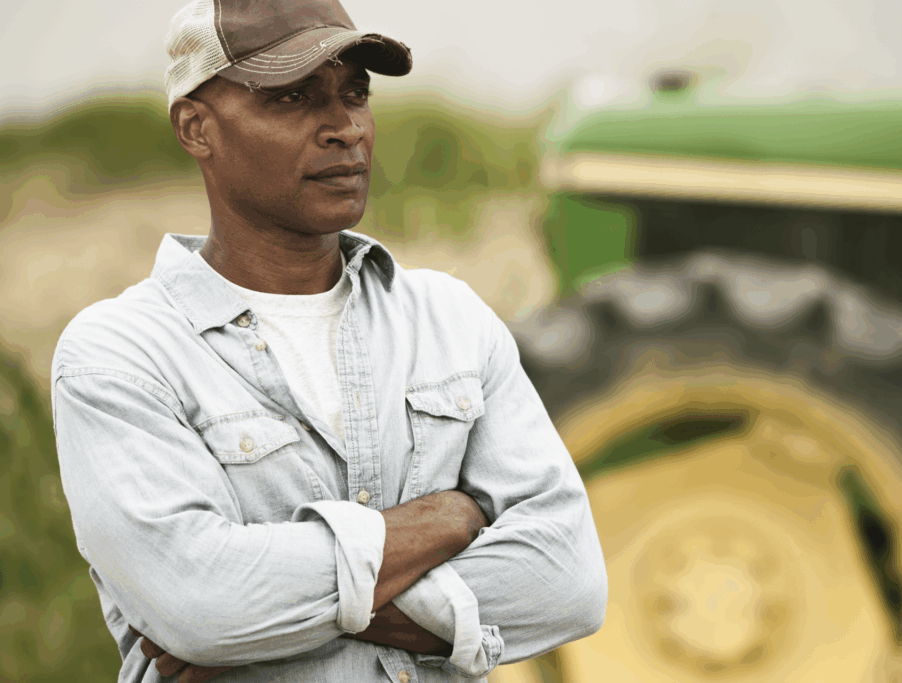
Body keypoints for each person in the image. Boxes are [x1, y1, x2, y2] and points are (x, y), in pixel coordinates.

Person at [50, 0, 608, 681]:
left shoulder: (451, 319)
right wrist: (449, 519)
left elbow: (569, 582)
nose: (345, 128)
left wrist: (274, 613)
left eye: (356, 94)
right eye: (293, 97)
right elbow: (203, 604)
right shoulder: (122, 354)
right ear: (197, 127)